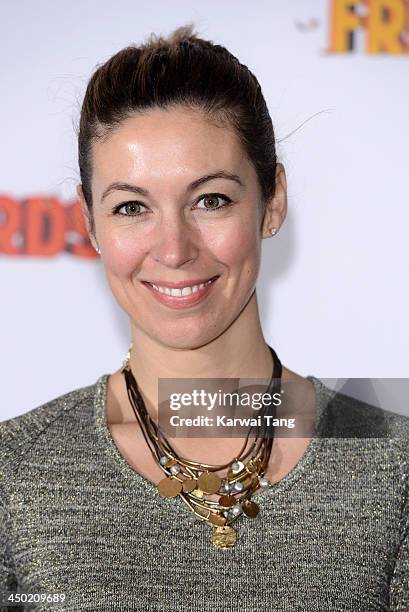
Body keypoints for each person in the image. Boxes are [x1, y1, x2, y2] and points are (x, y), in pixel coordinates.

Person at [1, 23, 408, 612]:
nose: (173, 249)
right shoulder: (16, 474)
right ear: (90, 225)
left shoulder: (390, 465)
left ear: (272, 202)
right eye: (132, 207)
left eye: (210, 200)